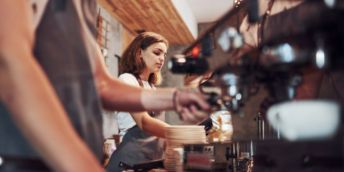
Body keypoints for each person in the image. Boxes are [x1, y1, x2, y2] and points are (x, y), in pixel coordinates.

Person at [0, 1, 209, 171]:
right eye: (157, 52)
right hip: (37, 158)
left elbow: (102, 83)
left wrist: (176, 97)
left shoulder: (85, 7)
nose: (162, 58)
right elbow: (9, 62)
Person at [106, 31, 171, 171]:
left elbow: (157, 134)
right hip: (128, 162)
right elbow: (144, 121)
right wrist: (178, 133)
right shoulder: (127, 80)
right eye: (157, 52)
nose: (162, 59)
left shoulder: (152, 88)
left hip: (147, 163)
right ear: (139, 53)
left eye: (164, 55)